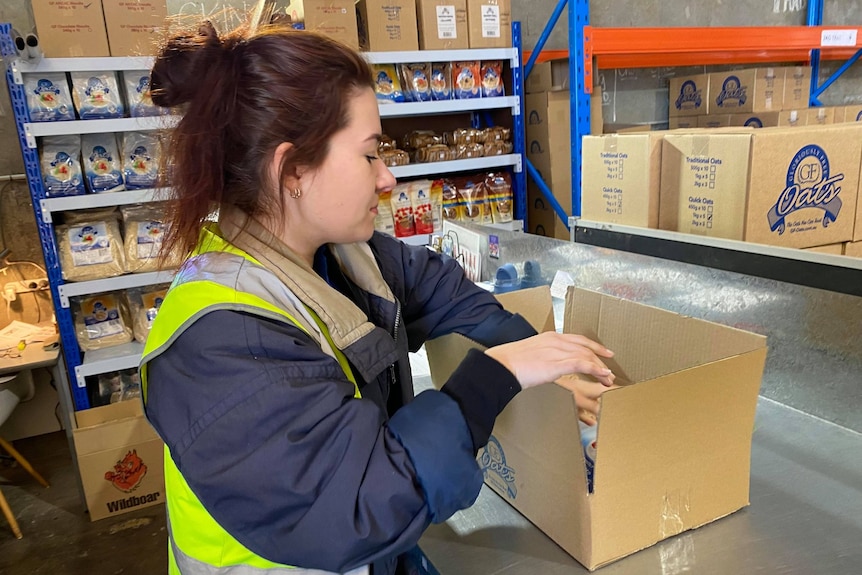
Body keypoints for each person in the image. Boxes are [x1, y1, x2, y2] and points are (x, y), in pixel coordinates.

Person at [140, 16, 616, 575]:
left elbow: (434, 285)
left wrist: (544, 360)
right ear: (293, 170)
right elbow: (362, 502)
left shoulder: (332, 254)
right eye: (369, 154)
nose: (387, 178)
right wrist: (497, 375)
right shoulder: (221, 343)